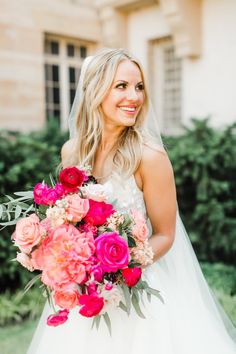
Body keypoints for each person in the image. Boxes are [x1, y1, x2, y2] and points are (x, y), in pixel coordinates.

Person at [27, 48, 236, 354]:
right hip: (86, 296)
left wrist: (113, 269)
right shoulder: (72, 152)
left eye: (138, 87)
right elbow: (68, 222)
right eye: (121, 86)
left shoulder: (150, 157)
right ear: (95, 90)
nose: (134, 97)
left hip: (139, 296)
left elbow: (165, 234)